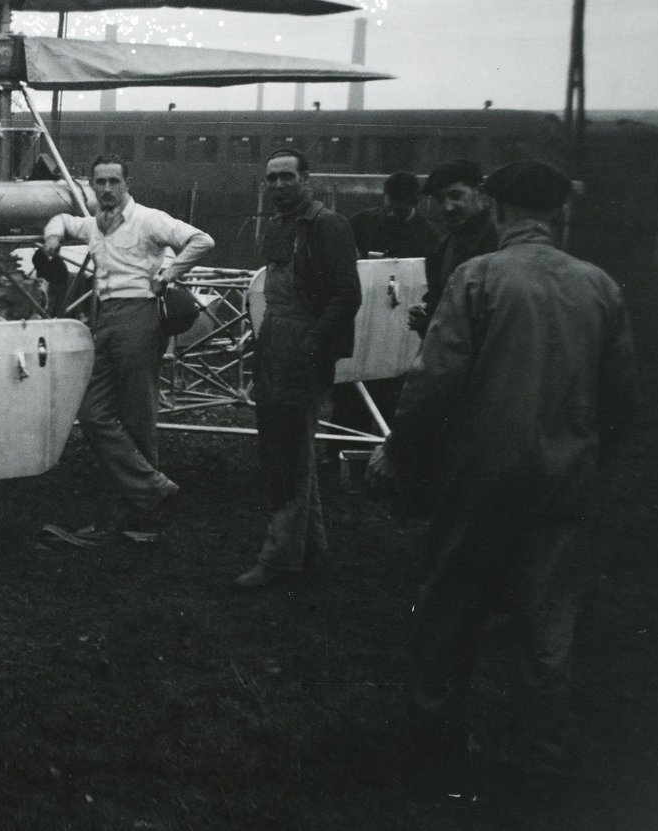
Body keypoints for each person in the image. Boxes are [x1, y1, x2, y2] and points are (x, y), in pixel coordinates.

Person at [369, 160, 636, 778]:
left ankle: (435, 732)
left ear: (500, 208)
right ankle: (540, 750)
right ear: (557, 211)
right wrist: (587, 452)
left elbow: (435, 381)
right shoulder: (599, 285)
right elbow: (622, 397)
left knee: (453, 600)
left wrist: (401, 449)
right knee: (547, 616)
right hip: (565, 474)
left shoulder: (478, 276)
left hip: (481, 475)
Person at [38, 155, 214, 543]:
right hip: (105, 319)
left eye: (113, 181)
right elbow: (63, 221)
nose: (106, 189)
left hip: (141, 316)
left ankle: (143, 514)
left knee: (137, 412)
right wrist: (52, 238)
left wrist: (170, 273)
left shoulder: (148, 219)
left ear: (127, 184)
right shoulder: (95, 224)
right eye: (99, 182)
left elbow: (201, 240)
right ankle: (151, 488)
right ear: (92, 185)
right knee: (93, 412)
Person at [233, 149, 362, 589]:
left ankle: (279, 558)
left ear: (307, 178)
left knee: (286, 454)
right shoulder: (278, 225)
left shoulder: (328, 225)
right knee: (290, 451)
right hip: (275, 346)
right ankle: (312, 549)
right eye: (272, 178)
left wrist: (312, 343)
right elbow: (275, 294)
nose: (279, 185)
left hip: (302, 352)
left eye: (288, 177)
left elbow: (347, 296)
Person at [409, 159, 497, 336]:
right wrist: (428, 314)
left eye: (456, 196)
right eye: (440, 200)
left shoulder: (498, 244)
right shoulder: (444, 247)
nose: (447, 207)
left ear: (480, 193)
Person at [350, 171, 441, 259]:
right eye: (389, 208)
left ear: (415, 203)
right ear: (386, 197)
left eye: (399, 211)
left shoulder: (428, 234)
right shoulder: (363, 220)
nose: (392, 214)